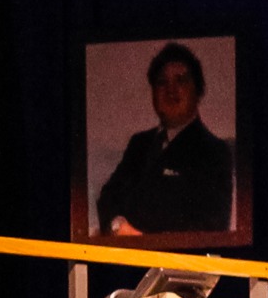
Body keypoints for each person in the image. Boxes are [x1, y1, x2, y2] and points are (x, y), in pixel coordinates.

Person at [96, 42, 233, 237]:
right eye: (162, 82)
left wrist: (144, 240)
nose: (171, 90)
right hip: (123, 254)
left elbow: (212, 225)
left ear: (198, 91)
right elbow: (108, 197)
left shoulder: (214, 152)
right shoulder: (139, 144)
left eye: (181, 80)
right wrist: (118, 226)